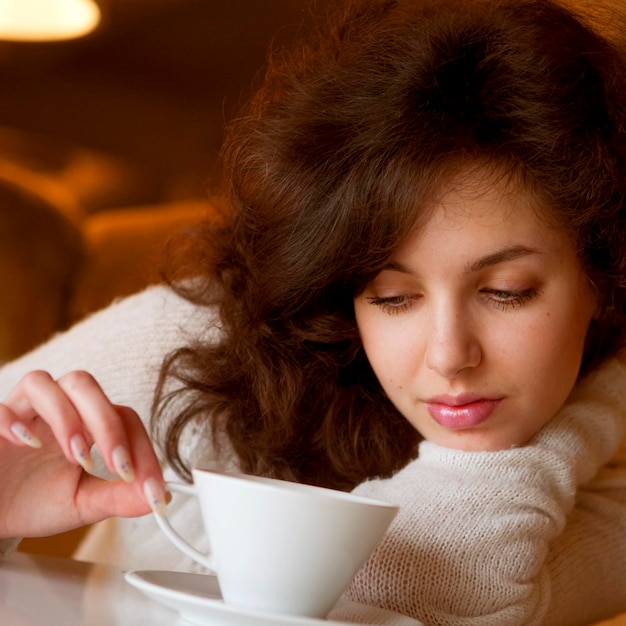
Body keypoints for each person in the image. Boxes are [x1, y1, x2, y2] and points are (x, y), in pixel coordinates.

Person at [1, 0, 626, 624]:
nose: (448, 356)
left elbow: (428, 593)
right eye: (392, 297)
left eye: (506, 290)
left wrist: (592, 404)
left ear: (603, 275)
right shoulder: (191, 341)